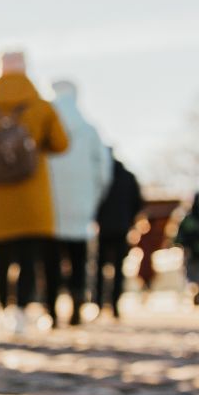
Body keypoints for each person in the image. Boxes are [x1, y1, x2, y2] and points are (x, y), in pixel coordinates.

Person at [0, 49, 68, 331]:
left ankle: (1, 308)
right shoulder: (41, 107)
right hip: (32, 196)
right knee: (28, 257)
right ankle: (20, 309)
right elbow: (61, 143)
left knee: (0, 256)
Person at [45, 79, 111, 327]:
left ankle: (51, 310)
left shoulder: (46, 128)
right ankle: (76, 305)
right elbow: (104, 170)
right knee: (78, 261)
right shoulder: (89, 129)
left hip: (51, 206)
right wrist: (94, 197)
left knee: (51, 261)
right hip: (82, 205)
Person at [94, 154, 144, 317]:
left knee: (100, 267)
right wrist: (130, 221)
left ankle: (99, 303)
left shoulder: (101, 176)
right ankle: (115, 304)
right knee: (118, 269)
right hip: (122, 228)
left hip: (103, 228)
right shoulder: (129, 177)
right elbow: (138, 203)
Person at [171, 192, 199, 305]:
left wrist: (181, 245)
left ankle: (194, 290)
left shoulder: (187, 218)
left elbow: (179, 236)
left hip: (191, 251)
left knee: (191, 274)